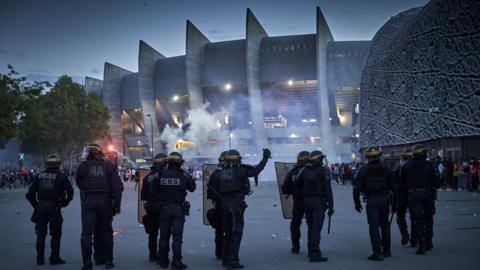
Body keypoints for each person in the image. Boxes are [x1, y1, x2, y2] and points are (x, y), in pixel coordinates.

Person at [208, 148, 270, 269]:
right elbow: (256, 170)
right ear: (237, 159)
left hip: (222, 207)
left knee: (227, 233)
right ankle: (233, 260)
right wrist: (265, 158)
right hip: (235, 206)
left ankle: (225, 258)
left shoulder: (218, 173)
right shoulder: (240, 170)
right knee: (236, 233)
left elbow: (211, 191)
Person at [76, 144, 123, 269]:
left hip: (89, 201)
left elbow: (78, 182)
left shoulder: (83, 166)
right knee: (106, 231)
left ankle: (87, 262)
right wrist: (117, 205)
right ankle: (108, 260)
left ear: (90, 153)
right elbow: (117, 188)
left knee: (87, 233)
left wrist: (87, 191)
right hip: (105, 201)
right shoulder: (109, 166)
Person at [25, 154, 74, 265]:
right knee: (56, 233)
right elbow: (71, 192)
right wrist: (64, 203)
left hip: (41, 207)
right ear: (58, 164)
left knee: (41, 234)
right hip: (54, 207)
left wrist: (36, 206)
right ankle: (54, 258)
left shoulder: (39, 176)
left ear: (46, 164)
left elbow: (30, 194)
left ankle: (40, 259)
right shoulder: (62, 177)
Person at [156, 152, 196, 269]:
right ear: (179, 163)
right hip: (178, 209)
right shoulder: (183, 175)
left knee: (164, 236)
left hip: (164, 209)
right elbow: (192, 188)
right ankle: (176, 262)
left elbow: (153, 188)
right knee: (177, 238)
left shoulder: (161, 174)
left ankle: (163, 261)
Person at [353, 147, 392, 261]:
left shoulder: (363, 170)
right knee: (385, 226)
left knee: (374, 227)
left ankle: (377, 253)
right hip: (384, 200)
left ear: (368, 157)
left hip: (371, 201)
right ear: (379, 156)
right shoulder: (386, 169)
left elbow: (356, 189)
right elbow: (394, 187)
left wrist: (357, 203)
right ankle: (387, 250)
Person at [400, 144, 440, 255]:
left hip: (414, 194)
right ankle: (429, 241)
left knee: (418, 220)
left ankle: (421, 242)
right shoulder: (430, 165)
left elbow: (402, 184)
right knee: (429, 218)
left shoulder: (406, 166)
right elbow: (438, 182)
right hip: (428, 194)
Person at [297, 150, 334, 262]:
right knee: (316, 228)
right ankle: (315, 253)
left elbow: (297, 185)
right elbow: (328, 189)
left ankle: (310, 250)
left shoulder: (303, 170)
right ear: (318, 159)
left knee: (310, 227)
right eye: (321, 158)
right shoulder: (323, 171)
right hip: (318, 202)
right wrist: (331, 205)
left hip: (306, 202)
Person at [281, 151, 310, 253]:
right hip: (310, 200)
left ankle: (295, 246)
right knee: (312, 224)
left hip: (298, 202)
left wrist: (291, 191)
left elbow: (285, 187)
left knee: (295, 224)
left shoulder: (292, 172)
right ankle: (313, 248)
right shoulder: (313, 170)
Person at [141, 153, 168, 262]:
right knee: (164, 235)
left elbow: (144, 196)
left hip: (151, 208)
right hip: (164, 208)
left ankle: (152, 256)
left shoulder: (147, 177)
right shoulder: (166, 176)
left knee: (152, 234)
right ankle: (162, 256)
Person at [391, 149, 416, 246]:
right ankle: (414, 239)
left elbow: (394, 180)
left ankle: (405, 235)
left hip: (402, 194)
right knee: (415, 217)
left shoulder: (399, 166)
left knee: (400, 216)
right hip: (412, 193)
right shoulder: (416, 166)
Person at [207, 151, 228, 261]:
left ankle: (219, 253)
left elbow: (209, 191)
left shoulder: (215, 174)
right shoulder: (232, 173)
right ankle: (228, 254)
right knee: (230, 231)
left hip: (219, 206)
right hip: (231, 207)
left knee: (219, 231)